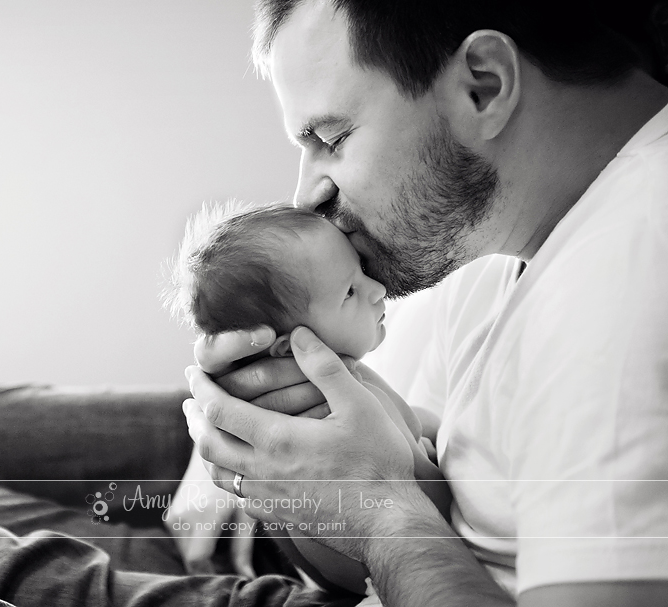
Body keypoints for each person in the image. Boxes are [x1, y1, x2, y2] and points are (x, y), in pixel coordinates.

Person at [183, 1, 668, 606]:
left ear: (483, 88)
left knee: (28, 557)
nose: (306, 194)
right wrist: (279, 450)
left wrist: (382, 513)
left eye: (331, 138)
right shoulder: (503, 240)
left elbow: (395, 520)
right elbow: (400, 533)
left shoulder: (628, 273)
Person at [164, 201, 450, 595]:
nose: (378, 289)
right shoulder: (354, 406)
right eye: (350, 291)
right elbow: (441, 507)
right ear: (287, 348)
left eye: (362, 273)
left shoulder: (301, 409)